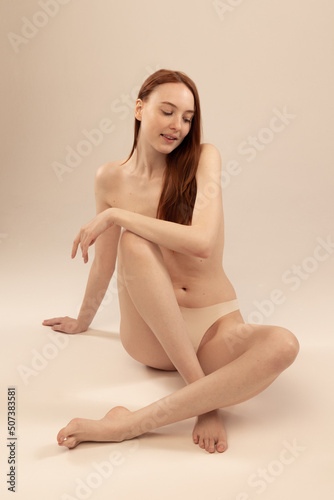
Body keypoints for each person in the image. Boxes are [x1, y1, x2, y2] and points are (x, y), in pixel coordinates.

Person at [43, 69, 299, 454]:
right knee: (133, 244)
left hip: (214, 325)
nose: (177, 125)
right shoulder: (109, 179)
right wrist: (83, 320)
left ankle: (128, 424)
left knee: (284, 344)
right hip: (152, 335)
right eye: (167, 111)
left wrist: (116, 216)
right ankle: (203, 398)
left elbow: (202, 243)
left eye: (187, 117)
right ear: (139, 108)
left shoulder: (202, 159)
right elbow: (105, 262)